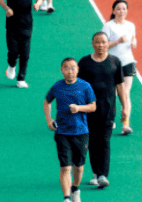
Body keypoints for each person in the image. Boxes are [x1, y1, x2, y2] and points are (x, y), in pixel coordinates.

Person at [78, 32, 127, 189]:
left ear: (108, 43)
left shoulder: (114, 62)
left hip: (108, 109)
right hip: (89, 110)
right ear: (92, 43)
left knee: (104, 141)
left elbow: (120, 86)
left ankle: (102, 175)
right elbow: (78, 87)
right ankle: (97, 172)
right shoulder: (85, 63)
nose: (100, 45)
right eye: (97, 42)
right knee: (92, 142)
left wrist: (125, 107)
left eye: (103, 42)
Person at [44, 58, 97, 202]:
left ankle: (75, 188)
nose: (70, 71)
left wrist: (78, 108)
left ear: (77, 69)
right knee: (65, 168)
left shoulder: (85, 86)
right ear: (61, 70)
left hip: (81, 132)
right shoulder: (57, 86)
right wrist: (49, 120)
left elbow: (93, 106)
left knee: (78, 167)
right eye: (66, 68)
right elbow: (47, 102)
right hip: (62, 133)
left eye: (73, 68)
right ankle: (66, 197)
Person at [0, 0, 43, 88]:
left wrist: (38, 4)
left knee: (25, 52)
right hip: (12, 23)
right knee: (13, 51)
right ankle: (11, 65)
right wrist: (7, 8)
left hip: (27, 22)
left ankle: (21, 79)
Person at [102, 0, 137, 135]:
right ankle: (110, 120)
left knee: (126, 94)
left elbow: (134, 37)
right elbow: (103, 45)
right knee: (112, 94)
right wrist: (117, 42)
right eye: (118, 9)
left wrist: (134, 42)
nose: (121, 11)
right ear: (113, 11)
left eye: (124, 9)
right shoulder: (108, 26)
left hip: (128, 62)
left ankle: (126, 124)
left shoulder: (131, 25)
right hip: (113, 63)